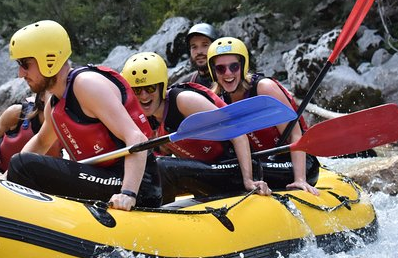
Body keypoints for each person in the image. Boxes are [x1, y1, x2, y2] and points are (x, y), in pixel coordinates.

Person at [6, 19, 161, 210]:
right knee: (19, 164)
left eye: (25, 64)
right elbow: (41, 143)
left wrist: (128, 193)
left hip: (136, 185)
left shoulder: (86, 85)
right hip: (100, 177)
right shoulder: (54, 104)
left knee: (23, 164)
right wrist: (3, 180)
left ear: (48, 59)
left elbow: (135, 137)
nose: (21, 74)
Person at [122, 52, 270, 203]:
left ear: (162, 86)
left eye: (150, 88)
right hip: (208, 172)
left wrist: (249, 180)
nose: (144, 96)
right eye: (137, 90)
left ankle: (156, 213)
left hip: (234, 167)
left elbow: (237, 133)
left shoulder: (184, 100)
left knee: (163, 167)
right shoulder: (147, 118)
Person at [207, 37, 319, 195]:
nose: (228, 73)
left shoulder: (264, 88)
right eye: (220, 69)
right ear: (213, 71)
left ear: (243, 67)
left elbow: (295, 134)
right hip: (264, 162)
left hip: (298, 162)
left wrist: (300, 179)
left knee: (231, 172)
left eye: (234, 67)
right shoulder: (218, 99)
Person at [0, 91, 62, 172]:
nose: (58, 99)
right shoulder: (16, 113)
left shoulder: (64, 127)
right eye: (53, 94)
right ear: (42, 96)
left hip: (34, 184)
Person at [175, 22, 221, 87]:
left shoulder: (230, 79)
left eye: (205, 45)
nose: (199, 52)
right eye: (194, 47)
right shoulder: (186, 85)